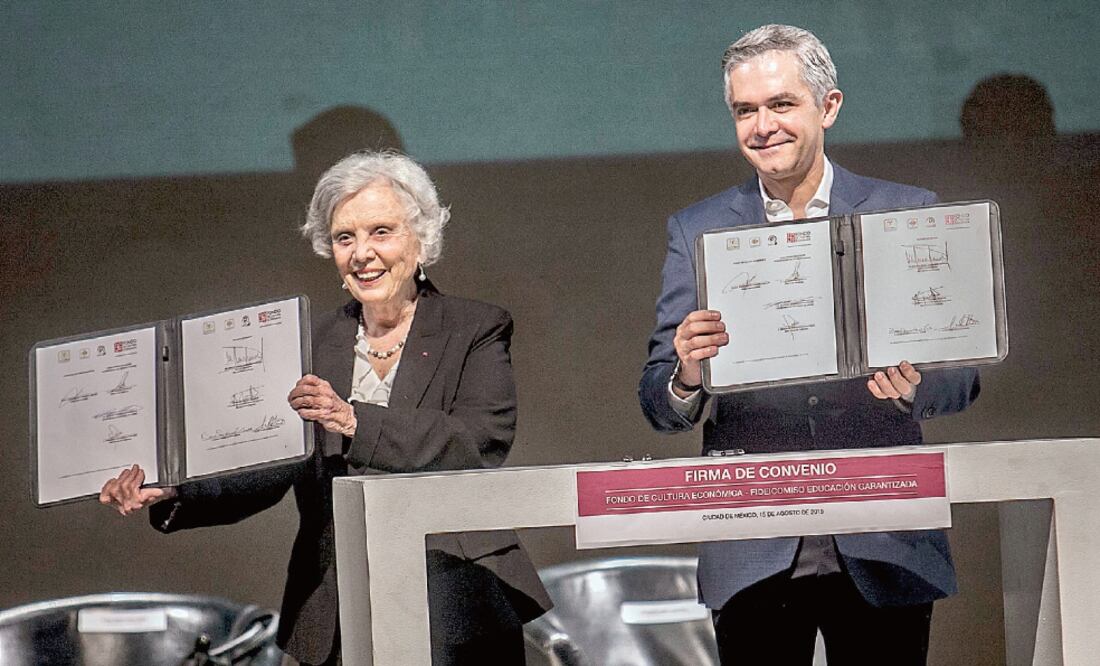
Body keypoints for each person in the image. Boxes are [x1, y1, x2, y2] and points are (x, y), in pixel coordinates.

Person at [100, 151, 552, 666]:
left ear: (421, 238)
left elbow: (475, 445)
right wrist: (176, 486)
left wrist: (355, 421)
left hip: (456, 601)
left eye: (381, 231)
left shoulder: (476, 327)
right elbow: (267, 463)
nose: (362, 253)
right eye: (345, 237)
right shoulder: (306, 342)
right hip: (337, 605)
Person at [638, 25, 980, 665]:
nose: (762, 125)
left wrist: (916, 385)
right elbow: (660, 399)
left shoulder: (905, 213)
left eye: (781, 104)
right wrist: (686, 375)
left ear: (829, 106)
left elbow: (961, 376)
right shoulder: (697, 229)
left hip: (884, 536)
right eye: (745, 110)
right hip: (753, 545)